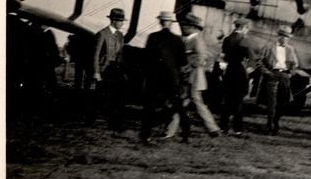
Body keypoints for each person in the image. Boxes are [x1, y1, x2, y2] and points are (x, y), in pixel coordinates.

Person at [165, 14, 221, 138]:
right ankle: (212, 129)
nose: (182, 27)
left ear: (193, 27)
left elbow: (201, 58)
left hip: (193, 77)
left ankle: (170, 131)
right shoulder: (185, 39)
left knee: (190, 102)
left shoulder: (197, 40)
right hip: (188, 78)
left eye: (185, 25)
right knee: (186, 102)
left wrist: (186, 68)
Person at [139, 11, 189, 144]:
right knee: (179, 106)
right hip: (172, 78)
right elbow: (183, 62)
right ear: (171, 24)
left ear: (160, 22)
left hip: (155, 77)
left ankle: (145, 135)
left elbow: (146, 59)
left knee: (149, 106)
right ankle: (186, 134)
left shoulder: (152, 37)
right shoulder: (177, 39)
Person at [92, 8, 127, 132]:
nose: (122, 23)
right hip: (104, 70)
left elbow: (121, 54)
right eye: (120, 21)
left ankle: (115, 124)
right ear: (113, 21)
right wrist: (96, 72)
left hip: (116, 70)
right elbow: (96, 54)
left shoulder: (120, 35)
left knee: (117, 97)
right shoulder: (102, 34)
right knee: (100, 96)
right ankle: (91, 118)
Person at [260, 25, 299, 135]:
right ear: (279, 36)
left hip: (284, 76)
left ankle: (276, 122)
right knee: (272, 101)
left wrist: (291, 73)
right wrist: (266, 72)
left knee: (282, 102)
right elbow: (259, 61)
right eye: (284, 36)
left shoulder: (290, 49)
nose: (286, 39)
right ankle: (270, 125)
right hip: (273, 74)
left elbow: (295, 64)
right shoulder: (269, 47)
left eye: (288, 37)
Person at [219, 18, 251, 136]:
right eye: (247, 27)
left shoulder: (227, 39)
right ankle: (237, 129)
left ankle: (223, 127)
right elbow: (248, 57)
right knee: (238, 102)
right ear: (243, 27)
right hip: (240, 72)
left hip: (229, 71)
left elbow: (223, 57)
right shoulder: (244, 40)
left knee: (227, 101)